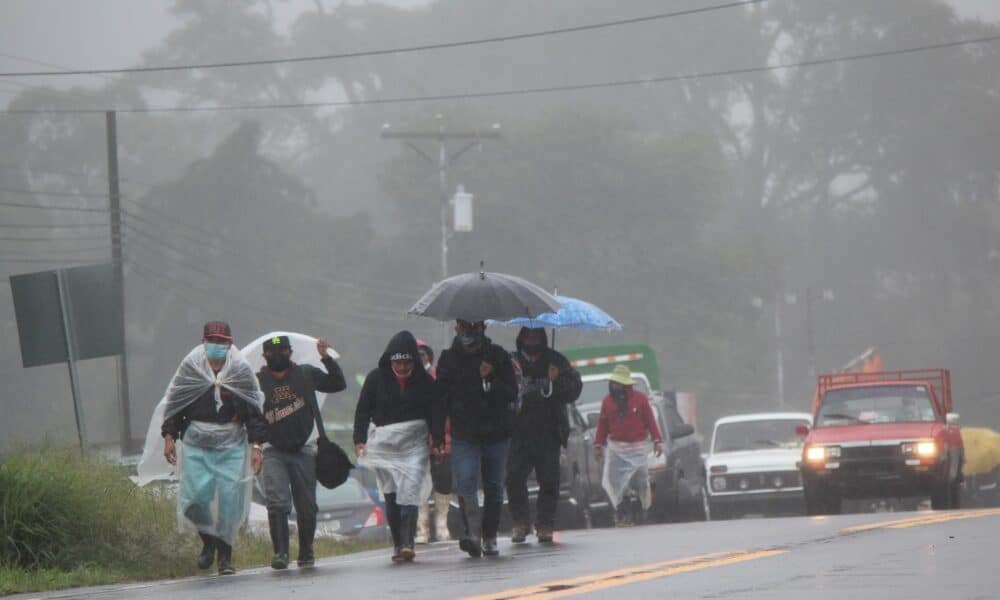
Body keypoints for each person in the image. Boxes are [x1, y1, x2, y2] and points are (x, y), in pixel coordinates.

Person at [161, 321, 266, 575]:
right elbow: (176, 402)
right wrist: (169, 436)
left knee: (231, 502)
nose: (217, 346)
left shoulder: (240, 371)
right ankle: (208, 541)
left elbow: (253, 411)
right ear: (203, 342)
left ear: (230, 344)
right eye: (213, 341)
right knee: (194, 500)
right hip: (197, 444)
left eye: (222, 342)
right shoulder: (191, 369)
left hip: (231, 445)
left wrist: (257, 446)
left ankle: (225, 558)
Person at [256, 335, 347, 570]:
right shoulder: (257, 381)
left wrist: (326, 358)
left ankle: (306, 551)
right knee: (277, 502)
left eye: (283, 351)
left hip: (305, 448)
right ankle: (281, 553)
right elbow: (249, 413)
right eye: (273, 352)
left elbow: (337, 383)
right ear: (264, 356)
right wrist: (255, 444)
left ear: (291, 352)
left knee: (306, 505)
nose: (278, 356)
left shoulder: (306, 373)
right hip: (273, 450)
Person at [354, 331, 442, 562]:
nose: (402, 367)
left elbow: (436, 413)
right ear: (390, 360)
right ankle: (397, 542)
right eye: (398, 362)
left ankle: (408, 543)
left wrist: (438, 440)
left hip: (414, 445)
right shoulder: (375, 379)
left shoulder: (426, 382)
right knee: (391, 495)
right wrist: (359, 439)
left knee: (410, 493)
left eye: (407, 362)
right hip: (384, 446)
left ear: (414, 360)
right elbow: (363, 410)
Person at [436, 319, 517, 557]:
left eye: (472, 327)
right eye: (463, 327)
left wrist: (491, 377)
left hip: (497, 434)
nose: (467, 332)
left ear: (482, 328)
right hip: (464, 434)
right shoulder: (448, 360)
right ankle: (472, 533)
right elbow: (439, 399)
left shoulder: (498, 355)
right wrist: (438, 434)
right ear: (456, 328)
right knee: (465, 482)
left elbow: (511, 393)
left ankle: (489, 535)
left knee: (494, 487)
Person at [506, 327, 582, 544]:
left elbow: (574, 390)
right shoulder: (511, 362)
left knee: (549, 480)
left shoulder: (556, 361)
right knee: (513, 477)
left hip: (548, 432)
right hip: (518, 432)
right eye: (527, 335)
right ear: (521, 337)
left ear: (543, 337)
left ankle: (545, 524)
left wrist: (557, 380)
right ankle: (521, 523)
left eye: (535, 335)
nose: (531, 339)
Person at [593, 365, 663, 527]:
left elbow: (650, 421)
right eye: (614, 383)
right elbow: (603, 424)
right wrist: (598, 445)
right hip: (616, 450)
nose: (615, 387)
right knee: (615, 482)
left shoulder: (640, 399)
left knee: (640, 482)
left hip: (637, 449)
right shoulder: (607, 401)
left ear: (626, 385)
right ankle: (622, 512)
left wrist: (657, 440)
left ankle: (642, 510)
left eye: (619, 384)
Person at [415, 340, 453, 544]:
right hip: (416, 441)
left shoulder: (438, 377)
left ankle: (441, 523)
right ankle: (422, 527)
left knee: (443, 480)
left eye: (422, 353)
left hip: (442, 438)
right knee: (420, 482)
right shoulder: (407, 381)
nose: (420, 357)